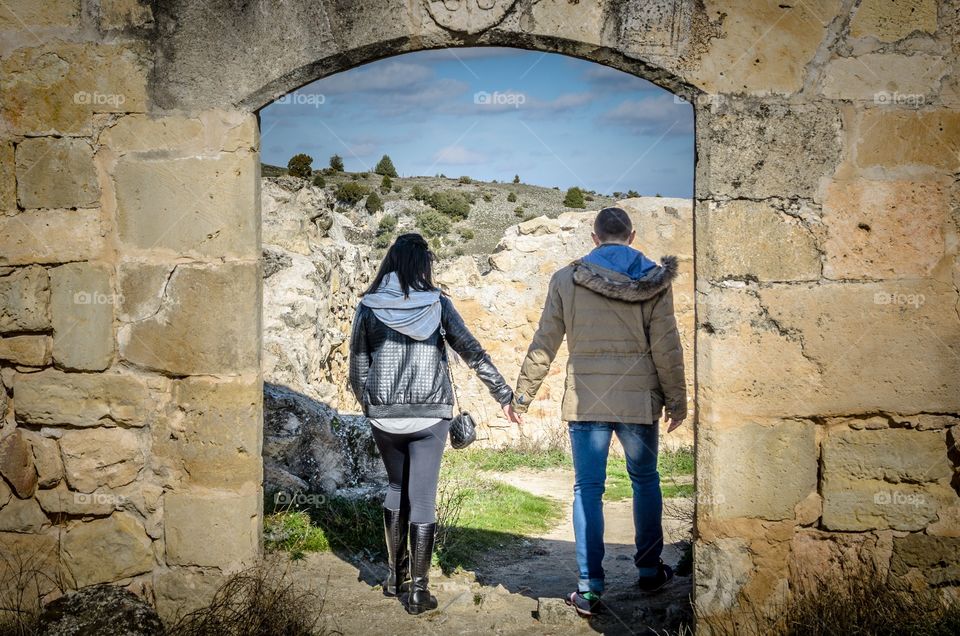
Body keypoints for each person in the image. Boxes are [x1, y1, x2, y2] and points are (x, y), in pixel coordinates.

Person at [510, 207, 687, 617]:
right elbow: (667, 345)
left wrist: (522, 396)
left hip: (586, 398)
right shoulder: (655, 279)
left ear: (594, 237)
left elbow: (544, 341)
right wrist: (677, 401)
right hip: (638, 398)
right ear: (632, 234)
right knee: (644, 480)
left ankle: (589, 588)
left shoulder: (566, 278)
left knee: (587, 488)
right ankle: (648, 570)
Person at [348, 233, 522, 615]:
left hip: (384, 414)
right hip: (430, 415)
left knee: (396, 487)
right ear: (423, 265)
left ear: (391, 263)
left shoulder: (368, 306)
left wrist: (373, 406)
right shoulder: (439, 304)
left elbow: (358, 369)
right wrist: (505, 396)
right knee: (422, 497)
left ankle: (395, 579)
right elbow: (473, 353)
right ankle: (419, 593)